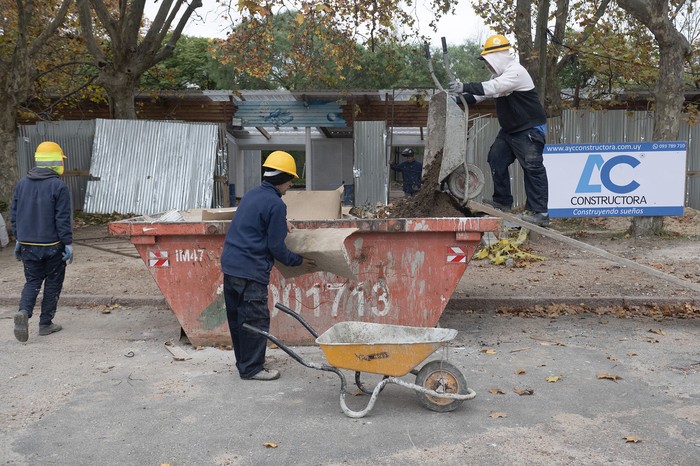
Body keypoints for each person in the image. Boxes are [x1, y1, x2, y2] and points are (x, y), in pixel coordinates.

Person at [220, 151, 315, 381]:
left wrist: (280, 223)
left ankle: (245, 363)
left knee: (238, 320)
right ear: (282, 178)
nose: (290, 185)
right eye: (290, 180)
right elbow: (276, 248)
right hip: (251, 271)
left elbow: (256, 222)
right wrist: (299, 261)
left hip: (231, 266)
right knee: (255, 319)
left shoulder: (252, 196)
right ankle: (252, 369)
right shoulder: (276, 204)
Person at [449, 34, 550, 226]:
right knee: (496, 158)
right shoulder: (499, 76)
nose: (487, 66)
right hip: (511, 130)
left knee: (533, 168)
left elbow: (491, 88)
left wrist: (463, 86)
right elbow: (480, 96)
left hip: (529, 129)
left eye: (487, 61)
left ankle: (541, 213)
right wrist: (457, 99)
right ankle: (502, 201)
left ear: (497, 57)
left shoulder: (516, 72)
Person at [10, 141, 73, 342]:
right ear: (57, 162)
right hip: (53, 247)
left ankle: (24, 311)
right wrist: (68, 243)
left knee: (32, 281)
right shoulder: (58, 186)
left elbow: (15, 213)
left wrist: (19, 238)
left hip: (28, 245)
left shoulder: (22, 183)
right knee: (53, 283)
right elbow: (62, 218)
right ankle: (45, 323)